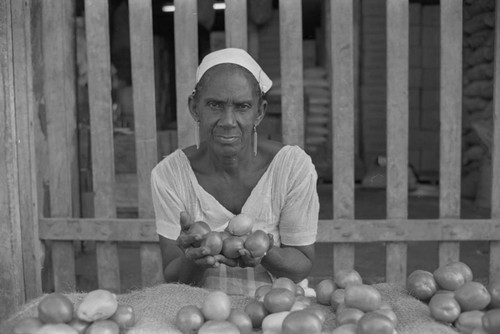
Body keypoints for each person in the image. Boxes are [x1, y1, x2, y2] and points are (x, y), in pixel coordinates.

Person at [151, 48, 319, 296]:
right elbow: (173, 276)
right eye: (215, 105)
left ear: (259, 112)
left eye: (242, 106)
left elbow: (301, 266)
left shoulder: (292, 167)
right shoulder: (170, 175)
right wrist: (192, 258)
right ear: (195, 108)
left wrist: (264, 252)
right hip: (203, 314)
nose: (228, 121)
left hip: (277, 311)